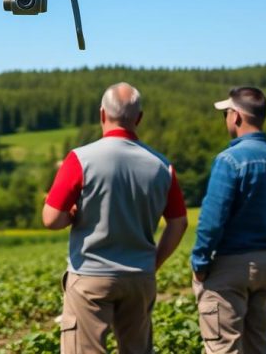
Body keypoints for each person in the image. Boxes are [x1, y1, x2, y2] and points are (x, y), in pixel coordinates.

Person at [43, 82, 188, 354]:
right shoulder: (162, 166)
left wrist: (73, 215)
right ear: (139, 119)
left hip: (90, 276)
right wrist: (153, 262)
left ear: (101, 114)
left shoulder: (80, 159)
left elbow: (51, 219)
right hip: (140, 277)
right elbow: (178, 223)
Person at [191, 86, 266, 354]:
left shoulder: (229, 160)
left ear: (236, 116)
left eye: (226, 113)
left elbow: (212, 219)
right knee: (259, 344)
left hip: (230, 265)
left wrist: (200, 261)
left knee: (222, 346)